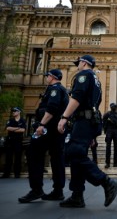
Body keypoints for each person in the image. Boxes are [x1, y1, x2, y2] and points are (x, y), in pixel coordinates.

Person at [57, 55, 117, 208]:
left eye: (78, 63)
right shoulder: (96, 79)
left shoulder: (84, 75)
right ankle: (77, 195)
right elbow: (95, 103)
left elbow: (76, 98)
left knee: (73, 152)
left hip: (84, 121)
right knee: (77, 156)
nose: (77, 66)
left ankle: (107, 182)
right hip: (91, 121)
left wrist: (64, 117)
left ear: (84, 63)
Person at [18, 69, 69, 203]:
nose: (46, 77)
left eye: (47, 76)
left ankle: (36, 189)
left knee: (33, 154)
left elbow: (51, 109)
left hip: (48, 129)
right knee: (57, 159)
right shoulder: (59, 89)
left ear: (51, 77)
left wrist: (41, 124)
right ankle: (58, 191)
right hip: (56, 130)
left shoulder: (55, 89)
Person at [1, 107, 26, 179]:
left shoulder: (22, 121)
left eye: (15, 111)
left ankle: (17, 173)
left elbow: (23, 130)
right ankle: (6, 173)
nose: (13, 112)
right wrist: (17, 128)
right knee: (8, 157)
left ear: (19, 112)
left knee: (18, 158)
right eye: (13, 111)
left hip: (18, 141)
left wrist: (13, 129)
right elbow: (8, 128)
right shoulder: (11, 120)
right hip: (10, 141)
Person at [103, 103, 117, 168]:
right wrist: (105, 130)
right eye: (112, 106)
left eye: (114, 107)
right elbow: (104, 121)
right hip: (109, 131)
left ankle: (115, 163)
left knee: (116, 148)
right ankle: (107, 163)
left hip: (116, 131)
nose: (113, 108)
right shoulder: (107, 114)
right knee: (108, 148)